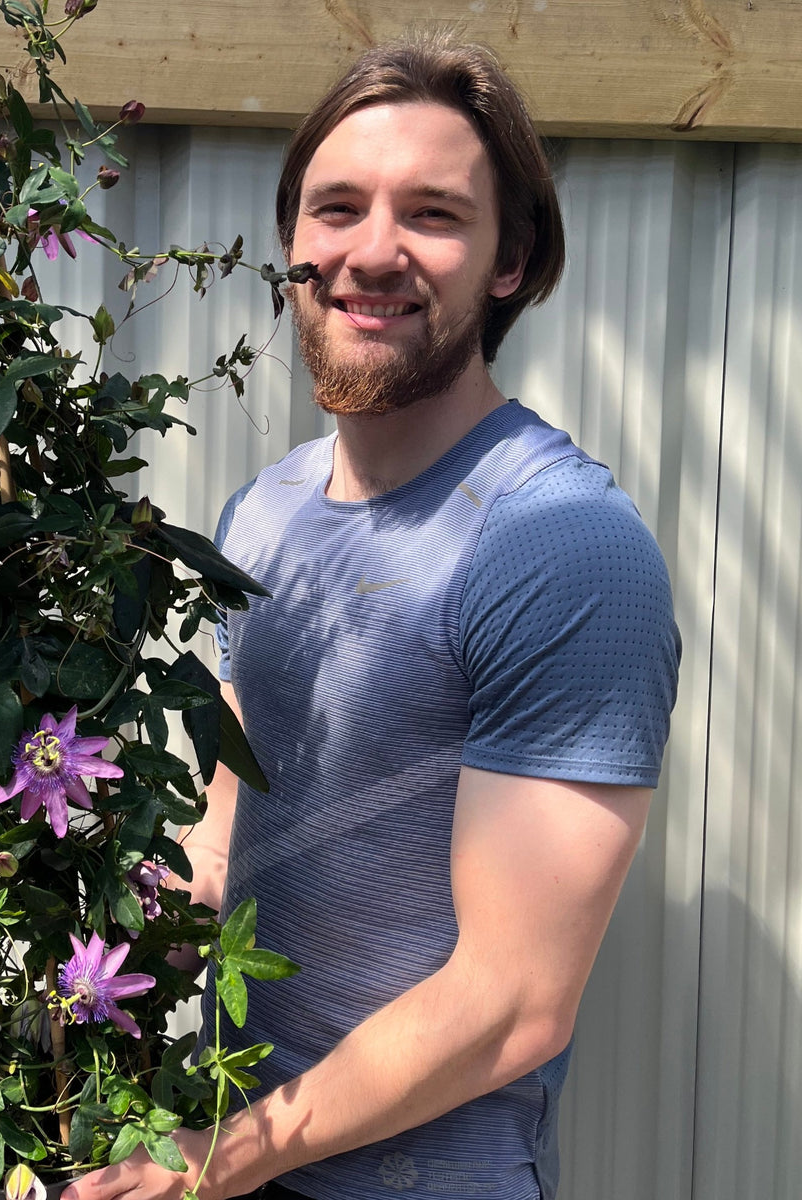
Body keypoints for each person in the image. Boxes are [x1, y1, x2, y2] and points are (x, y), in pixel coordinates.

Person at [64, 31, 681, 1200]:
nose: (373, 251)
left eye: (435, 214)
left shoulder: (561, 547)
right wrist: (122, 918)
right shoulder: (266, 512)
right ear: (295, 244)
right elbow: (233, 800)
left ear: (511, 261)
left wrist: (222, 1162)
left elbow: (515, 1004)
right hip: (227, 1137)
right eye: (336, 207)